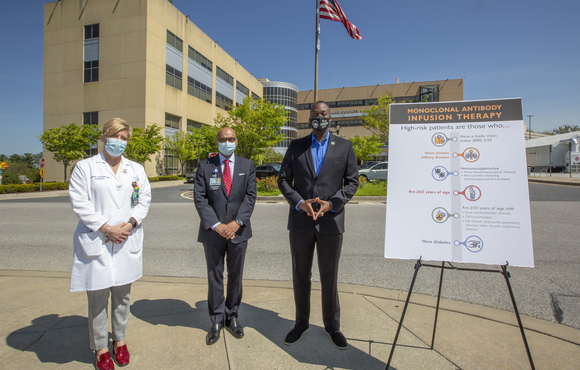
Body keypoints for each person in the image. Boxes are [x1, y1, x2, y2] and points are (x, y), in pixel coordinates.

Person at [69, 118, 151, 370]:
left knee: (122, 297)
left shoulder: (135, 169)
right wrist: (106, 228)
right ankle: (101, 348)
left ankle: (120, 340)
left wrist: (130, 224)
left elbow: (143, 199)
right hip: (98, 239)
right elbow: (80, 203)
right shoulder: (85, 167)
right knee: (97, 300)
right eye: (115, 136)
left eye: (124, 138)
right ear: (104, 137)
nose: (119, 141)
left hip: (126, 238)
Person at [278, 101, 358, 350]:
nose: (319, 118)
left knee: (329, 276)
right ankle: (301, 323)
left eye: (323, 114)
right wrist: (300, 203)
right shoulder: (296, 146)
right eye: (315, 115)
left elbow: (352, 183)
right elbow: (283, 180)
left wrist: (331, 204)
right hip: (301, 222)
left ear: (330, 117)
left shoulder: (344, 147)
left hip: (331, 222)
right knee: (301, 275)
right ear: (309, 118)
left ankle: (332, 326)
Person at [194, 127, 257, 345]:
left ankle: (232, 317)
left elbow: (250, 197)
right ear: (217, 142)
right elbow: (200, 199)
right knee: (215, 277)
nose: (226, 142)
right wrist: (217, 225)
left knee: (236, 277)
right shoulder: (205, 166)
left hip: (238, 231)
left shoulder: (247, 165)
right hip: (213, 233)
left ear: (236, 141)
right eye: (223, 139)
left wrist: (236, 223)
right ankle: (216, 320)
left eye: (230, 139)